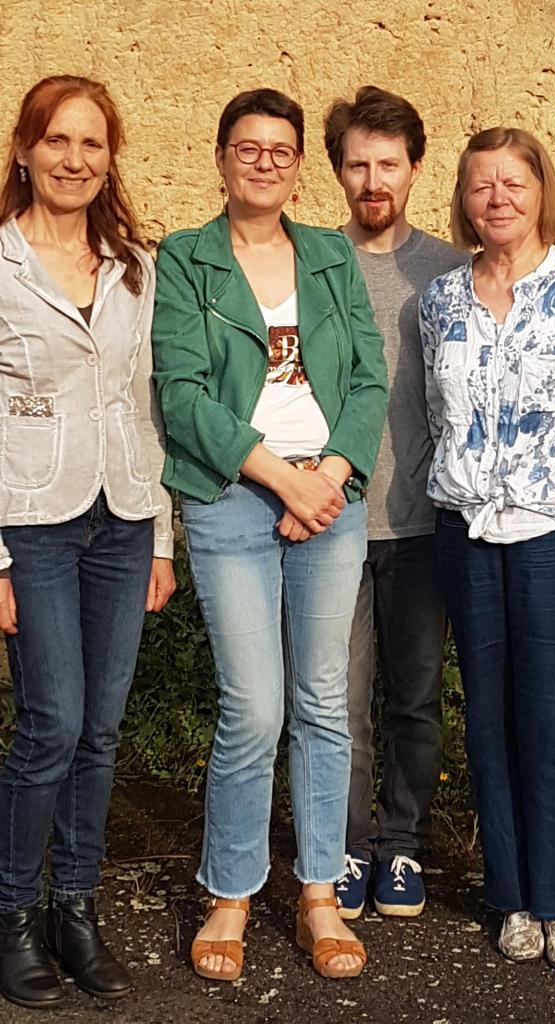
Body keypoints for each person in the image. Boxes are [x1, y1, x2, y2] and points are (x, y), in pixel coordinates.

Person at [152, 88, 387, 982]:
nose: (263, 163)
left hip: (329, 496)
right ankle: (232, 891)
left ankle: (319, 890)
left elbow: (367, 381)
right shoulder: (187, 258)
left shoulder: (330, 255)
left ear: (298, 166)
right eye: (247, 148)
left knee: (323, 701)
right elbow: (181, 392)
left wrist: (327, 475)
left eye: (280, 150)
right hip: (230, 494)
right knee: (253, 707)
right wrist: (282, 479)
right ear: (220, 159)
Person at [420, 126, 555, 969]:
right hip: (467, 528)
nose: (498, 198)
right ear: (464, 199)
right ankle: (509, 894)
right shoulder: (440, 300)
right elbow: (439, 412)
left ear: (541, 189)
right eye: (481, 185)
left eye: (514, 182)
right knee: (487, 714)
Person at [0, 75, 175, 1010]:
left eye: (92, 144)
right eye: (57, 141)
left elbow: (145, 406)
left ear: (111, 159)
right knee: (52, 724)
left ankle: (76, 906)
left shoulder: (132, 267)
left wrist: (161, 537)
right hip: (30, 522)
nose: (74, 160)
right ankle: (13, 912)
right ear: (24, 150)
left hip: (123, 517)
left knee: (100, 731)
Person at [323, 86, 465, 919]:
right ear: (338, 171)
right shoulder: (312, 264)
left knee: (414, 697)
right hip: (331, 520)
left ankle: (401, 844)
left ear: (415, 168)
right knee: (339, 702)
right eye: (357, 165)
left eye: (388, 164)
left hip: (420, 522)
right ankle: (343, 846)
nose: (372, 181)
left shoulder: (448, 269)